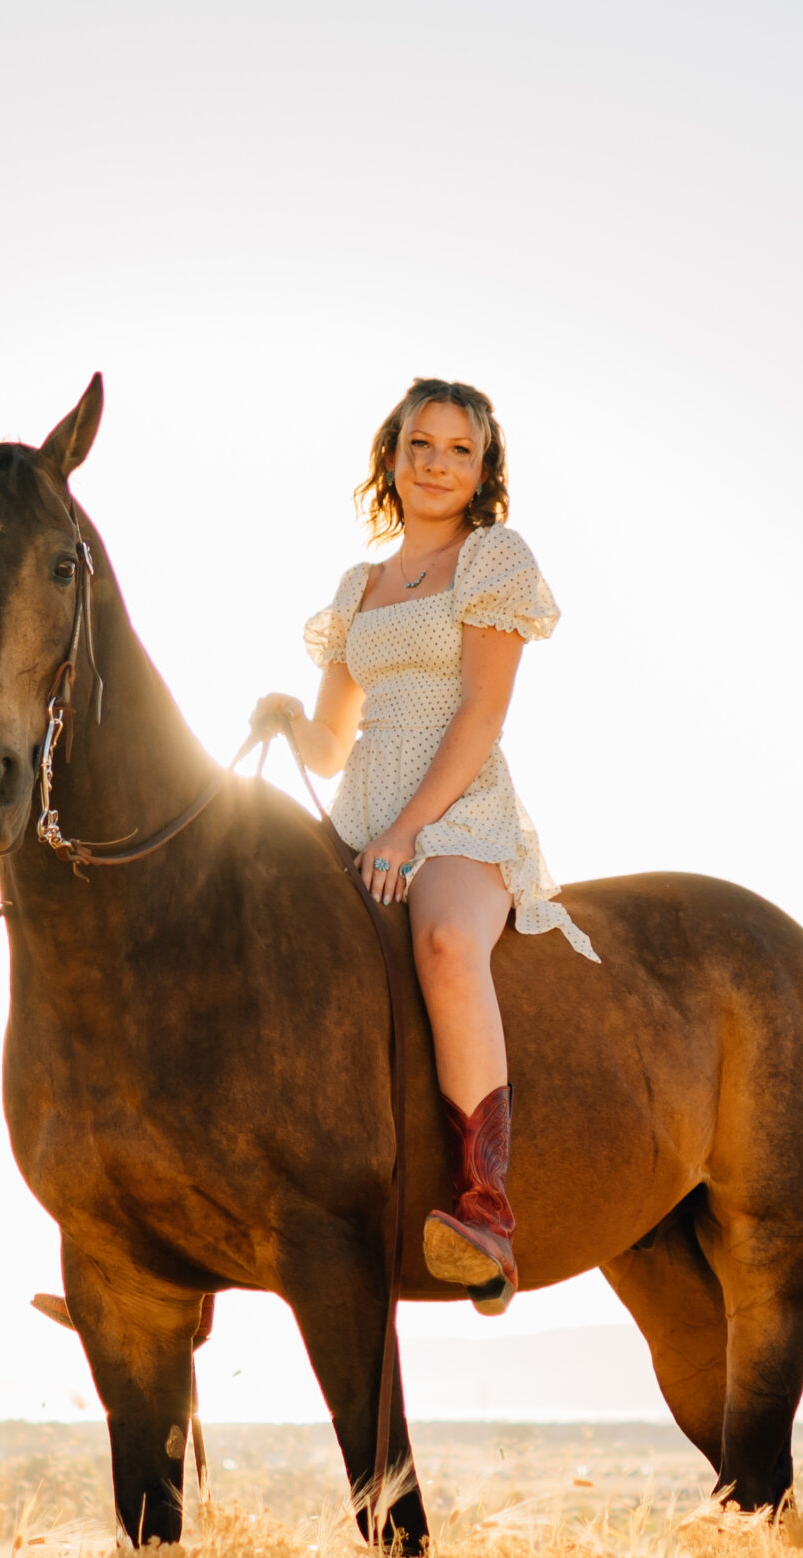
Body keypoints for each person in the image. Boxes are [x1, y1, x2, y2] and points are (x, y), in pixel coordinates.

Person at [255, 378, 595, 1318]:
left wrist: (410, 830)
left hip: (458, 808)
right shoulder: (357, 587)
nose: (437, 463)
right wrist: (288, 717)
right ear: (391, 455)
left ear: (483, 469)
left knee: (445, 940)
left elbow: (482, 713)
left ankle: (486, 1204)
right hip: (362, 809)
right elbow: (332, 741)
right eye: (421, 445)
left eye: (459, 449)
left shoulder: (493, 559)